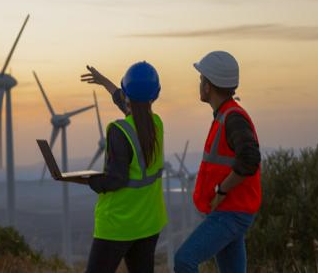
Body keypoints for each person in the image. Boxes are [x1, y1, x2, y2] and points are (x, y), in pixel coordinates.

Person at [73, 62, 167, 273]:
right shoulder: (157, 125)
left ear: (126, 94)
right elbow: (131, 105)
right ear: (156, 94)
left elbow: (115, 179)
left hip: (117, 225)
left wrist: (88, 180)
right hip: (149, 222)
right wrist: (105, 82)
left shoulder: (119, 130)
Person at [174, 51, 262, 273]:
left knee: (184, 261)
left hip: (231, 211)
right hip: (231, 210)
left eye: (201, 78)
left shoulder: (233, 118)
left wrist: (221, 190)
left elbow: (250, 158)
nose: (199, 83)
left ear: (208, 86)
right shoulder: (226, 114)